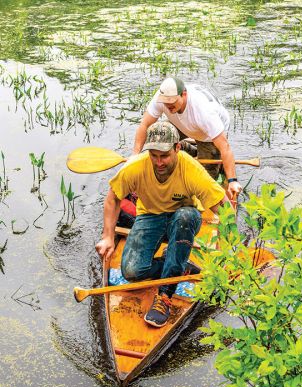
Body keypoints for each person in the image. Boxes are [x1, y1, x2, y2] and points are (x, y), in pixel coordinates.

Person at [96, 121, 230, 328]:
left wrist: (226, 249)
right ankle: (177, 265)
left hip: (184, 218)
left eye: (165, 155)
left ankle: (165, 296)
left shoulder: (191, 169)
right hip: (150, 216)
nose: (159, 162)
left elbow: (223, 207)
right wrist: (107, 236)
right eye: (154, 155)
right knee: (132, 272)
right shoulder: (135, 166)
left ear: (177, 148)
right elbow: (113, 198)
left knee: (185, 216)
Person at [133, 77, 242, 198]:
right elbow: (144, 125)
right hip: (180, 123)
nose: (168, 105)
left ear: (184, 94)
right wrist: (135, 155)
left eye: (172, 101)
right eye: (165, 102)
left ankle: (213, 160)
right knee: (158, 136)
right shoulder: (161, 98)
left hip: (207, 135)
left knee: (203, 180)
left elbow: (224, 146)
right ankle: (184, 148)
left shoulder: (204, 111)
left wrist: (232, 181)